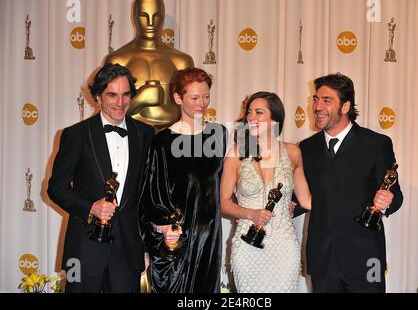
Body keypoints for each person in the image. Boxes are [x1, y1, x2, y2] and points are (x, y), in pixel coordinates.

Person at [47, 63, 154, 292]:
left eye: (126, 94)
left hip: (128, 247)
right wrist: (91, 207)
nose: (120, 102)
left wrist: (146, 247)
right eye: (112, 95)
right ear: (97, 96)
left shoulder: (145, 134)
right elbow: (56, 187)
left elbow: (147, 195)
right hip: (85, 246)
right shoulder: (75, 135)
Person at [300, 73, 403, 293]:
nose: (317, 106)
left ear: (345, 106)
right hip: (322, 258)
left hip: (367, 257)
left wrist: (389, 200)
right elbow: (303, 197)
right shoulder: (306, 148)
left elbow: (395, 195)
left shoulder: (375, 144)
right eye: (316, 99)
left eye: (326, 100)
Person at [138, 67, 226, 293]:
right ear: (178, 98)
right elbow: (151, 196)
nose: (202, 103)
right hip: (175, 243)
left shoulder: (220, 135)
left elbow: (235, 179)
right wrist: (165, 234)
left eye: (206, 96)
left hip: (209, 240)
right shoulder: (163, 142)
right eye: (194, 97)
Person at [220, 91, 311, 293]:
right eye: (249, 112)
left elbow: (307, 200)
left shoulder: (293, 152)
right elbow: (224, 202)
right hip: (247, 244)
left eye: (259, 112)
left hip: (284, 247)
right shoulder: (236, 153)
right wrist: (251, 213)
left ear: (275, 118)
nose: (251, 117)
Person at [103, 0, 194, 129]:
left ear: (163, 19)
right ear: (134, 17)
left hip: (170, 140)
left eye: (156, 16)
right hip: (130, 139)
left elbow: (192, 110)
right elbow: (108, 109)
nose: (151, 23)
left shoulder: (182, 61)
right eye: (144, 16)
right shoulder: (118, 60)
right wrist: (141, 99)